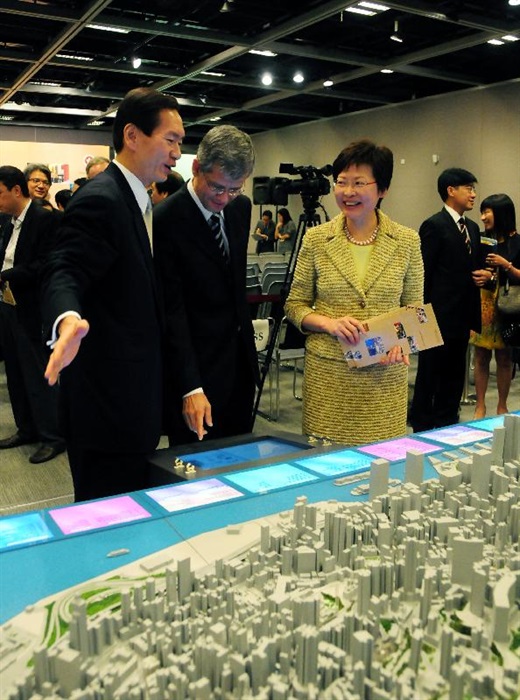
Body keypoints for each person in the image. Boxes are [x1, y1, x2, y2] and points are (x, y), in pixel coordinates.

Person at [41, 87, 184, 502]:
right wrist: (67, 318)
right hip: (106, 411)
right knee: (108, 525)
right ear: (133, 136)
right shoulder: (102, 199)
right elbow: (64, 267)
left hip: (130, 404)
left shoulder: (136, 200)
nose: (177, 154)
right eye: (170, 140)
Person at [284, 139, 423, 445]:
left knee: (382, 470)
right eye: (341, 182)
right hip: (329, 381)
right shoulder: (317, 239)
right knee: (324, 469)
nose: (348, 192)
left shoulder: (407, 241)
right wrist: (329, 324)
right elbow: (294, 306)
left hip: (384, 381)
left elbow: (414, 310)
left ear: (382, 189)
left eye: (359, 183)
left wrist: (403, 343)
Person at [153, 124, 259, 446]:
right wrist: (190, 386)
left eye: (234, 189)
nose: (225, 199)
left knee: (241, 464)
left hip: (239, 367)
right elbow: (172, 311)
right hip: (195, 375)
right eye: (217, 188)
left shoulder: (241, 208)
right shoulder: (165, 220)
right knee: (195, 477)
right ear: (196, 168)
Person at [0, 166, 65, 463]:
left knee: (39, 374)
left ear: (16, 190)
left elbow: (47, 264)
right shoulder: (6, 221)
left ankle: (54, 436)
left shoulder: (44, 219)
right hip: (8, 304)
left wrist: (8, 275)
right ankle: (27, 428)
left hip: (34, 307)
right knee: (15, 371)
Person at [409, 168, 482, 432]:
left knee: (454, 373)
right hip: (437, 315)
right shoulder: (434, 225)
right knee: (431, 372)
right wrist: (421, 316)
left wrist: (484, 275)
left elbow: (470, 267)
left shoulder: (472, 228)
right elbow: (423, 273)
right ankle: (422, 422)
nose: (473, 194)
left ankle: (448, 420)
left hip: (462, 316)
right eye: (468, 188)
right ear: (451, 191)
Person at [470, 194, 520, 418]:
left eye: (486, 212)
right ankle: (480, 405)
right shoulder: (482, 239)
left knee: (504, 358)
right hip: (484, 304)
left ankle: (502, 404)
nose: (482, 217)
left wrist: (505, 265)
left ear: (501, 214)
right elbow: (473, 268)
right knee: (480, 357)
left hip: (508, 306)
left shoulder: (518, 241)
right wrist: (483, 275)